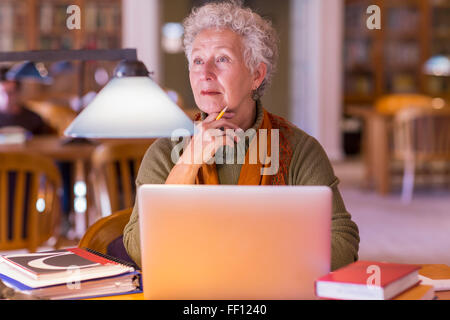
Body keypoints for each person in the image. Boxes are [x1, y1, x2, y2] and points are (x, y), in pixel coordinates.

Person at [123, 0, 360, 271]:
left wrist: (244, 258)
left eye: (222, 59)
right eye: (197, 60)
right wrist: (188, 162)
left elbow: (343, 244)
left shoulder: (300, 150)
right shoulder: (165, 152)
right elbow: (140, 251)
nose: (205, 73)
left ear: (256, 74)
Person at [0, 67, 54, 135]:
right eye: (2, 93)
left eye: (11, 93)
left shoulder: (33, 118)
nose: (6, 98)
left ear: (18, 92)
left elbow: (48, 139)